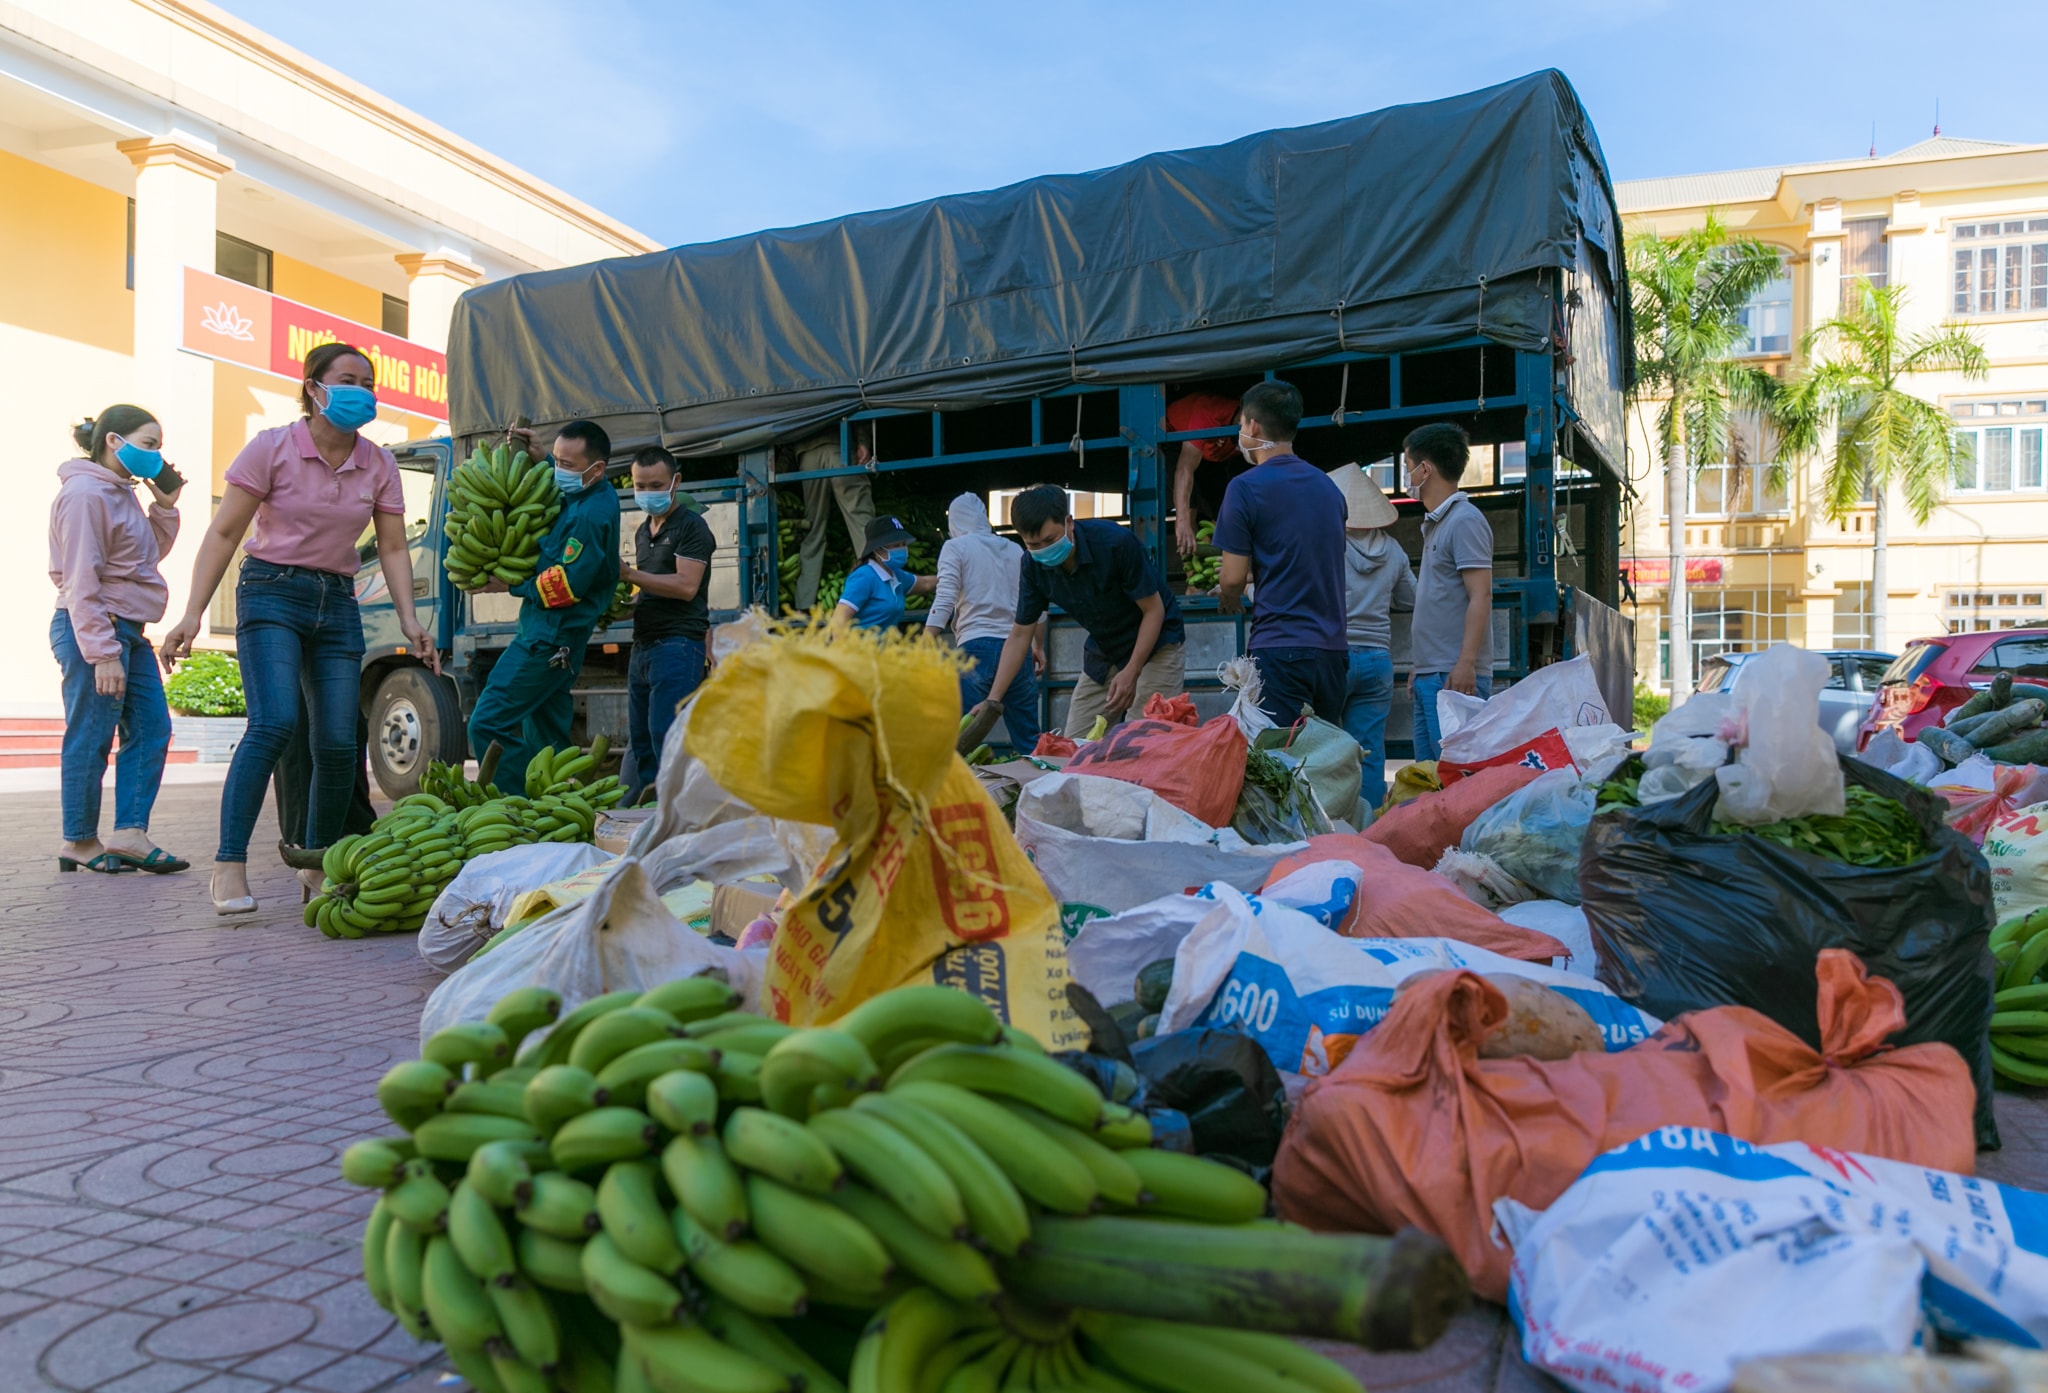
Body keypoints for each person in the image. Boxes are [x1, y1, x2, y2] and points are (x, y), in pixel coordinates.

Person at [162, 344, 433, 916]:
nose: (361, 391)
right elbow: (223, 534)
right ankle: (229, 864)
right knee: (275, 722)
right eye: (347, 380)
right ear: (313, 387)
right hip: (270, 593)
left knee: (338, 740)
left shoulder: (377, 463)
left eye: (368, 382)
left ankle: (316, 861)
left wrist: (411, 618)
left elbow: (390, 545)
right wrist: (192, 612)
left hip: (337, 600)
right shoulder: (273, 447)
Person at [48, 406, 187, 875]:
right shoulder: (87, 493)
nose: (156, 455)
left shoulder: (120, 492)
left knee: (152, 728)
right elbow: (79, 579)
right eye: (149, 445)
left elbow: (143, 558)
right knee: (92, 734)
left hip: (128, 627)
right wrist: (103, 652)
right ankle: (80, 840)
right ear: (113, 441)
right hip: (96, 626)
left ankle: (129, 833)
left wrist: (164, 508)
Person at [467, 420, 622, 801]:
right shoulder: (585, 497)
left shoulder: (590, 515)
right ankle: (556, 808)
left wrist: (509, 584)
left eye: (567, 464)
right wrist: (539, 458)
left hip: (548, 639)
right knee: (546, 738)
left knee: (487, 722)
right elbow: (556, 494)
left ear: (597, 468)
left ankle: (518, 802)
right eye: (556, 460)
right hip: (556, 637)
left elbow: (566, 586)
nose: (558, 471)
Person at [975, 485, 1185, 738]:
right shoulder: (1032, 566)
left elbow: (1154, 611)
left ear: (1069, 523)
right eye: (1033, 544)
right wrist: (993, 700)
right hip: (1105, 648)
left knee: (1145, 737)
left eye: (1050, 540)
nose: (1043, 549)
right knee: (1074, 745)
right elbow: (1020, 634)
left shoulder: (1114, 543)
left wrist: (1132, 670)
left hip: (1156, 642)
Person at [1214, 380, 1349, 727]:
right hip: (1332, 652)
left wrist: (1230, 597)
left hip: (1280, 647)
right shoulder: (1329, 488)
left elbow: (1231, 577)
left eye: (1242, 424)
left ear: (1253, 425)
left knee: (1280, 762)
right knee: (1324, 761)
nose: (1242, 431)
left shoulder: (1243, 488)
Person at [620, 446, 715, 802]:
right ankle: (648, 821)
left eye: (656, 485)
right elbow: (650, 589)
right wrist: (624, 607)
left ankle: (683, 820)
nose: (648, 493)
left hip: (677, 647)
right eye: (640, 486)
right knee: (642, 741)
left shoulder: (693, 528)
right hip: (643, 646)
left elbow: (686, 586)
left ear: (676, 481)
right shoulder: (644, 531)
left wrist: (631, 573)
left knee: (667, 738)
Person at [1403, 422, 1494, 763]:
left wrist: (1466, 663)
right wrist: (1420, 664)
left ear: (1424, 469)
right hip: (1433, 672)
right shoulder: (1438, 524)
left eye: (1407, 465)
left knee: (1455, 775)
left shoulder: (1464, 520)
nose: (1407, 474)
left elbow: (1480, 595)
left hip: (1453, 677)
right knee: (1429, 776)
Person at [925, 493, 1042, 755]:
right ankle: (1042, 791)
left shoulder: (956, 547)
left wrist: (926, 639)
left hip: (977, 649)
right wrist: (1039, 645)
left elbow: (944, 597)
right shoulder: (1014, 548)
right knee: (1030, 742)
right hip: (1017, 651)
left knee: (957, 739)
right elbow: (1035, 601)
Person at [1328, 463, 1414, 808]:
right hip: (1378, 660)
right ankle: (1370, 831)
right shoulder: (1393, 549)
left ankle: (1333, 830)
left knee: (1326, 748)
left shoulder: (1329, 545)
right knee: (1369, 751)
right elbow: (1411, 599)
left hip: (1335, 656)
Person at [787, 427, 876, 611]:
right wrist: (862, 442)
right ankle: (877, 593)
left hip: (806, 451)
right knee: (861, 522)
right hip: (839, 443)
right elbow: (856, 400)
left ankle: (804, 604)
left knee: (813, 528)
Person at [1167, 391, 1244, 557]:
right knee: (1189, 510)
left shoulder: (1255, 432)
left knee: (1225, 509)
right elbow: (1184, 468)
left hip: (1215, 458)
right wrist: (1182, 522)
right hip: (1176, 441)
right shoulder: (1208, 413)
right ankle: (1192, 575)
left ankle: (1227, 564)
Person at [834, 516, 936, 629]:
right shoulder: (864, 577)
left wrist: (954, 577)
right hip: (860, 645)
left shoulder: (896, 575)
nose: (902, 549)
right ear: (877, 549)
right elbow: (838, 621)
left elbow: (926, 583)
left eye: (903, 545)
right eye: (896, 546)